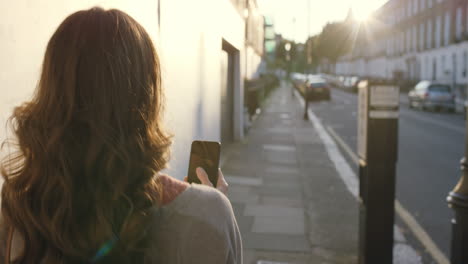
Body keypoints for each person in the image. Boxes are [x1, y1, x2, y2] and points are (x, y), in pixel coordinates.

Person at [0, 7, 242, 264]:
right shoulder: (209, 216)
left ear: (52, 94)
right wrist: (207, 205)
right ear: (147, 97)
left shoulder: (21, 208)